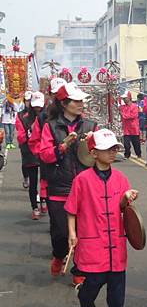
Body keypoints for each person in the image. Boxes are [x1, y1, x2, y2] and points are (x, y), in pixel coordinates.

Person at [66, 128, 138, 307]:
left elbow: (124, 208)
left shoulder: (121, 178)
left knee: (117, 282)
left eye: (114, 149)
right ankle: (85, 298)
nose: (112, 153)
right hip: (92, 240)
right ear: (94, 153)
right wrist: (72, 233)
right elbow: (72, 209)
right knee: (95, 280)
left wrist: (127, 197)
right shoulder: (82, 180)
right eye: (107, 150)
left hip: (116, 240)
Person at [39, 82, 97, 283]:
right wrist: (63, 145)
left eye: (82, 100)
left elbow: (100, 156)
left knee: (85, 232)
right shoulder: (51, 126)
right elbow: (45, 156)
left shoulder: (90, 126)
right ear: (64, 103)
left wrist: (93, 144)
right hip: (59, 188)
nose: (81, 104)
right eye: (76, 101)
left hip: (85, 188)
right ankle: (58, 255)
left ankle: (80, 270)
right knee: (61, 233)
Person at [29, 77, 67, 216]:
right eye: (56, 94)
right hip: (51, 163)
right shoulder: (43, 117)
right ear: (50, 95)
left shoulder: (78, 115)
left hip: (73, 165)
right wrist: (45, 154)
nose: (60, 97)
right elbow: (34, 141)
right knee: (56, 206)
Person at [16, 91, 45, 219]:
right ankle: (35, 207)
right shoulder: (22, 116)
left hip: (45, 152)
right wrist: (30, 131)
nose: (38, 108)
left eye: (40, 106)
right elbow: (21, 138)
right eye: (35, 106)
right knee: (33, 182)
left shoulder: (49, 116)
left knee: (46, 180)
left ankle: (44, 200)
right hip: (30, 151)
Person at [119, 91, 141, 159]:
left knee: (136, 144)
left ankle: (138, 154)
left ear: (129, 98)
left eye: (125, 98)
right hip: (126, 128)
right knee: (126, 144)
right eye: (123, 98)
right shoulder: (123, 107)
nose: (124, 99)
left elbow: (133, 116)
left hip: (134, 128)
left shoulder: (134, 106)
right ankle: (127, 154)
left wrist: (123, 115)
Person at [18, 91, 33, 188]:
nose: (29, 103)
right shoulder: (20, 114)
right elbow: (19, 129)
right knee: (25, 162)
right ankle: (26, 178)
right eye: (27, 100)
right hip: (25, 142)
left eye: (30, 100)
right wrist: (24, 138)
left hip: (36, 143)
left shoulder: (38, 113)